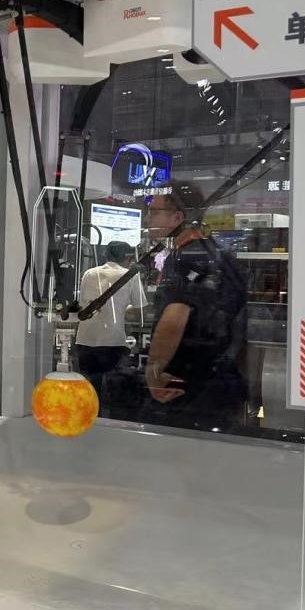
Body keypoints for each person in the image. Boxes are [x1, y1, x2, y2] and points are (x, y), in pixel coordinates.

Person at [141, 183, 248, 432]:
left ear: (178, 217)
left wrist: (153, 371)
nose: (147, 219)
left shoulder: (186, 257)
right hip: (219, 378)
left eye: (154, 212)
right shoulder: (218, 253)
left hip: (183, 385)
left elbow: (174, 319)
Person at [74, 240, 144, 404]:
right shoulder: (130, 275)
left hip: (85, 340)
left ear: (106, 255)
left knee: (90, 391)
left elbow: (83, 303)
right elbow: (139, 310)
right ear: (128, 257)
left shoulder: (89, 273)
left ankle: (93, 417)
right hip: (113, 341)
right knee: (115, 392)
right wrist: (122, 308)